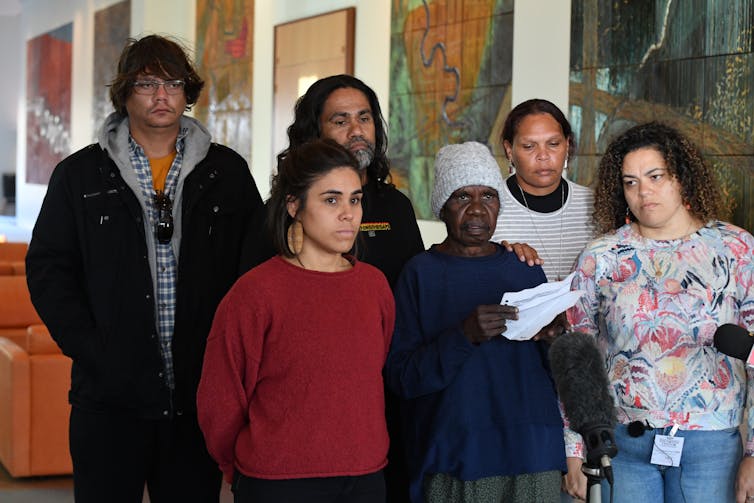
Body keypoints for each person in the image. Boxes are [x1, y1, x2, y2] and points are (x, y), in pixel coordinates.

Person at [25, 35, 263, 503]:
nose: (161, 95)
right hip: (109, 399)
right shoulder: (80, 175)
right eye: (147, 83)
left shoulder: (227, 173)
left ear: (187, 92)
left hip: (199, 397)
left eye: (173, 83)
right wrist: (92, 349)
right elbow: (49, 269)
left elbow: (253, 272)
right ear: (125, 93)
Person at [563, 122, 754, 503]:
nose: (642, 191)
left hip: (712, 446)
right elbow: (577, 360)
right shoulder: (600, 257)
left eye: (655, 176)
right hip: (624, 444)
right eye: (630, 182)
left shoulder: (736, 249)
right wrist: (575, 451)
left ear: (682, 177)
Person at [197, 139, 395, 503]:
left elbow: (371, 375)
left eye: (355, 199)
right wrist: (236, 467)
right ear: (294, 206)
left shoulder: (374, 285)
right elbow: (220, 400)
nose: (349, 213)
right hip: (276, 480)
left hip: (365, 476)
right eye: (331, 200)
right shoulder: (255, 292)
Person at [386, 141, 568, 503]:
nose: (476, 210)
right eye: (461, 197)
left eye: (488, 196)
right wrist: (463, 336)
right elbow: (401, 378)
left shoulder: (524, 269)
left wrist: (555, 338)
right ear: (441, 206)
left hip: (533, 451)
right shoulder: (419, 274)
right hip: (457, 453)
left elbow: (557, 374)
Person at [492, 98, 594, 282]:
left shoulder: (595, 204)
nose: (543, 156)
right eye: (529, 146)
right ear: (509, 150)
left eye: (553, 144)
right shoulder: (488, 207)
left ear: (567, 145)